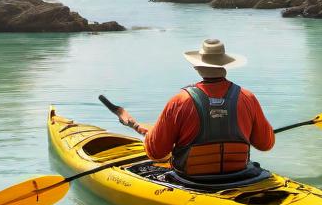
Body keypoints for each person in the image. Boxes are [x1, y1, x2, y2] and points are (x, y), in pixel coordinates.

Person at [117, 38, 275, 181]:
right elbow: (266, 144)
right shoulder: (248, 98)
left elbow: (156, 153)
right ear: (224, 66)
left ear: (197, 67)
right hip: (238, 174)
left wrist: (149, 136)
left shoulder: (179, 101)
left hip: (191, 179)